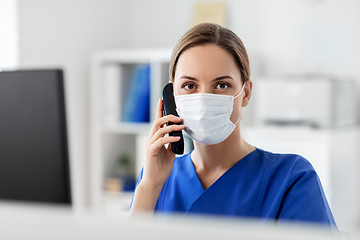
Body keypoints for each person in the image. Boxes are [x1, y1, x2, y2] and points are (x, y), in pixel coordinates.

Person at [130, 23, 336, 227]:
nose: (203, 98)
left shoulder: (290, 179)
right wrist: (149, 186)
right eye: (189, 85)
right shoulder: (156, 177)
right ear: (171, 98)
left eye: (221, 85)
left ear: (245, 93)